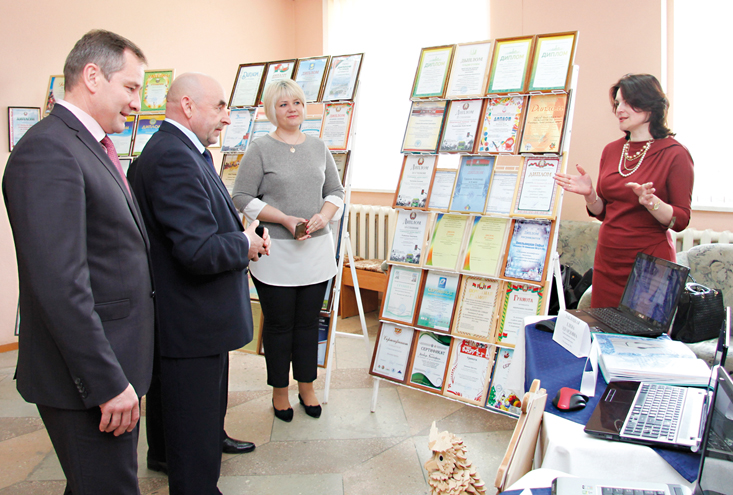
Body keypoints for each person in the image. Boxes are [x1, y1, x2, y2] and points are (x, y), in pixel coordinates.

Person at [2, 30, 154, 494]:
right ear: (92, 76)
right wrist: (106, 382)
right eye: (130, 87)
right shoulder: (49, 150)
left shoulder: (88, 144)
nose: (136, 103)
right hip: (87, 377)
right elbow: (59, 285)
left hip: (113, 360)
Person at [130, 72, 269, 495]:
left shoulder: (181, 151)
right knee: (195, 433)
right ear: (188, 106)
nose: (227, 117)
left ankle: (163, 454)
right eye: (220, 106)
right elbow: (197, 250)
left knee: (183, 415)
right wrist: (244, 243)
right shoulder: (174, 158)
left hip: (185, 317)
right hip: (191, 319)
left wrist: (238, 237)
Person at [232, 79, 344, 421]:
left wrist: (324, 217)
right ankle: (279, 391)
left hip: (315, 253)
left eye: (297, 102)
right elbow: (241, 197)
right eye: (283, 104)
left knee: (308, 324)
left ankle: (306, 387)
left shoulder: (319, 147)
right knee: (280, 326)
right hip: (275, 255)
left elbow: (335, 192)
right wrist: (282, 218)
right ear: (272, 110)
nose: (292, 109)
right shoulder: (260, 148)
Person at [554, 74, 694, 308]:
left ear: (650, 105)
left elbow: (681, 220)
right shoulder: (611, 150)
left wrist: (652, 203)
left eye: (628, 102)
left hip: (649, 265)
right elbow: (604, 212)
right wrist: (590, 195)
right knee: (603, 326)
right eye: (618, 103)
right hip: (608, 260)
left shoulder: (675, 153)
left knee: (641, 330)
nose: (620, 109)